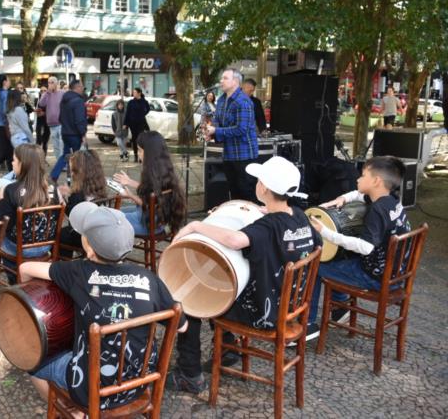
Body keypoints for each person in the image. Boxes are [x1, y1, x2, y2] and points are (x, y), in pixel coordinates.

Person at [170, 156, 320, 394]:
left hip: (263, 311)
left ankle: (189, 374)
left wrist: (195, 226)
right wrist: (264, 211)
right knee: (226, 286)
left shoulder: (268, 226)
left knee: (192, 301)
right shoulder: (298, 216)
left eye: (259, 180)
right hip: (289, 303)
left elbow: (235, 239)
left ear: (264, 188)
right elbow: (312, 237)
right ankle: (228, 351)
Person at [22, 202, 187, 410]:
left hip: (88, 388)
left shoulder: (78, 272)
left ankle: (71, 412)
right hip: (139, 383)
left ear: (89, 248)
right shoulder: (149, 279)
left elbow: (25, 268)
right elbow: (182, 326)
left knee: (33, 364)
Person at [306, 155, 409, 339]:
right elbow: (359, 195)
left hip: (375, 276)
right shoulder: (391, 199)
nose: (357, 179)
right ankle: (339, 309)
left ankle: (307, 324)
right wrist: (342, 198)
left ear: (376, 181)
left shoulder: (376, 211)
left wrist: (325, 232)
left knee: (315, 266)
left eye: (362, 175)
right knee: (340, 257)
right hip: (396, 272)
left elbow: (365, 247)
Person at [112, 131, 185, 236]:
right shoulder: (164, 169)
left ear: (150, 153)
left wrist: (130, 196)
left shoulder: (151, 172)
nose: (139, 154)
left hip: (148, 224)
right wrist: (130, 182)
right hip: (160, 220)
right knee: (115, 212)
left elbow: (149, 203)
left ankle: (111, 248)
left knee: (111, 218)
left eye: (140, 150)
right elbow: (154, 191)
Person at [204, 68, 259, 202]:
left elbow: (241, 129)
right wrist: (211, 133)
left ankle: (254, 221)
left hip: (244, 156)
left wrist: (216, 131)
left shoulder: (243, 101)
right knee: (234, 192)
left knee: (247, 192)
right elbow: (218, 121)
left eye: (225, 78)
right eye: (221, 78)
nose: (221, 81)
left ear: (235, 81)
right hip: (229, 154)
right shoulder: (222, 100)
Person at [0, 143, 55, 260]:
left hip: (20, 248)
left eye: (14, 160)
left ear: (22, 164)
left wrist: (2, 199)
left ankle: (7, 268)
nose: (12, 163)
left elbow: (4, 225)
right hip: (46, 245)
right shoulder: (52, 188)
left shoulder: (11, 190)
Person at [57, 149, 108, 256]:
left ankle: (64, 265)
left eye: (73, 171)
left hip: (83, 235)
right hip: (100, 232)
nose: (71, 174)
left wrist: (62, 201)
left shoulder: (78, 194)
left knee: (59, 235)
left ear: (79, 172)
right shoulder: (98, 186)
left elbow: (72, 217)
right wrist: (70, 192)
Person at [49, 79, 87, 183]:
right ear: (77, 87)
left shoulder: (64, 100)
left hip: (65, 132)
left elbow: (60, 117)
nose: (83, 88)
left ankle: (54, 175)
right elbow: (79, 120)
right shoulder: (78, 101)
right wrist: (83, 134)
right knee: (76, 157)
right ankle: (77, 179)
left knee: (65, 155)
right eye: (82, 86)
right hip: (75, 134)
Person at [37, 76, 65, 161]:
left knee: (62, 144)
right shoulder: (47, 94)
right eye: (49, 82)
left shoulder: (62, 93)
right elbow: (41, 104)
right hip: (51, 125)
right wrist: (47, 93)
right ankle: (59, 162)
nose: (50, 84)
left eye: (52, 82)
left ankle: (63, 163)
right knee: (56, 146)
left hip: (61, 124)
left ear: (56, 83)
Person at [123, 87, 150, 163]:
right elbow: (127, 114)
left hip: (141, 123)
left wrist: (142, 115)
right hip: (132, 124)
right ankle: (135, 156)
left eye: (135, 92)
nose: (133, 93)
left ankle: (141, 156)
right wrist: (125, 123)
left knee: (140, 140)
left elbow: (148, 109)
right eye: (133, 92)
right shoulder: (131, 102)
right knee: (134, 140)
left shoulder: (144, 102)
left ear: (139, 93)